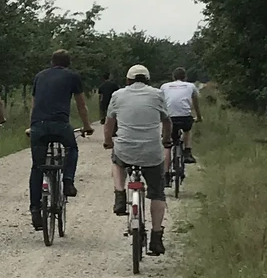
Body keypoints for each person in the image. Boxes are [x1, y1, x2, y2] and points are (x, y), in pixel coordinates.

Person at [104, 62, 172, 256]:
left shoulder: (118, 95)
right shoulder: (157, 94)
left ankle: (119, 193)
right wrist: (166, 140)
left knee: (117, 161)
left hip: (125, 149)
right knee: (157, 193)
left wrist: (109, 141)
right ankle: (156, 236)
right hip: (151, 152)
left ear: (128, 80)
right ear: (148, 80)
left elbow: (110, 122)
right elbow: (167, 121)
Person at [26, 49, 94, 228]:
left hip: (38, 125)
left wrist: (31, 126)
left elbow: (34, 104)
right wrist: (87, 125)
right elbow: (81, 105)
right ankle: (68, 181)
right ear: (68, 63)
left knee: (37, 167)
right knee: (72, 148)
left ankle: (35, 209)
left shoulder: (39, 76)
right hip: (60, 125)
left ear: (52, 62)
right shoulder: (72, 77)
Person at [160, 66, 201, 163]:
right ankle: (187, 152)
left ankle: (166, 167)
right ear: (185, 77)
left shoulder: (164, 86)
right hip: (184, 117)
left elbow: (161, 102)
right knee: (187, 130)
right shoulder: (190, 86)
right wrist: (199, 117)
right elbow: (196, 103)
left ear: (173, 77)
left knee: (169, 139)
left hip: (169, 118)